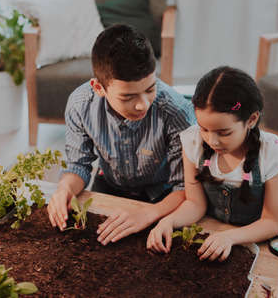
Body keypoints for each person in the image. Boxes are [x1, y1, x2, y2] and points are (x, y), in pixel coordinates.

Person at [47, 24, 194, 245]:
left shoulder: (176, 111)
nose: (142, 105)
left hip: (163, 199)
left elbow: (185, 188)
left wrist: (149, 213)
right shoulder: (80, 105)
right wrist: (64, 189)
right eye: (128, 97)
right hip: (110, 187)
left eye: (150, 89)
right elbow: (78, 165)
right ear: (98, 87)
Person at [147, 66, 278, 261]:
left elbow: (271, 222)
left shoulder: (274, 154)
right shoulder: (193, 142)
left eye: (224, 133)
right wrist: (169, 221)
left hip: (259, 238)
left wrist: (230, 237)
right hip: (217, 231)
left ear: (252, 119)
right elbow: (195, 203)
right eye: (204, 129)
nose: (212, 141)